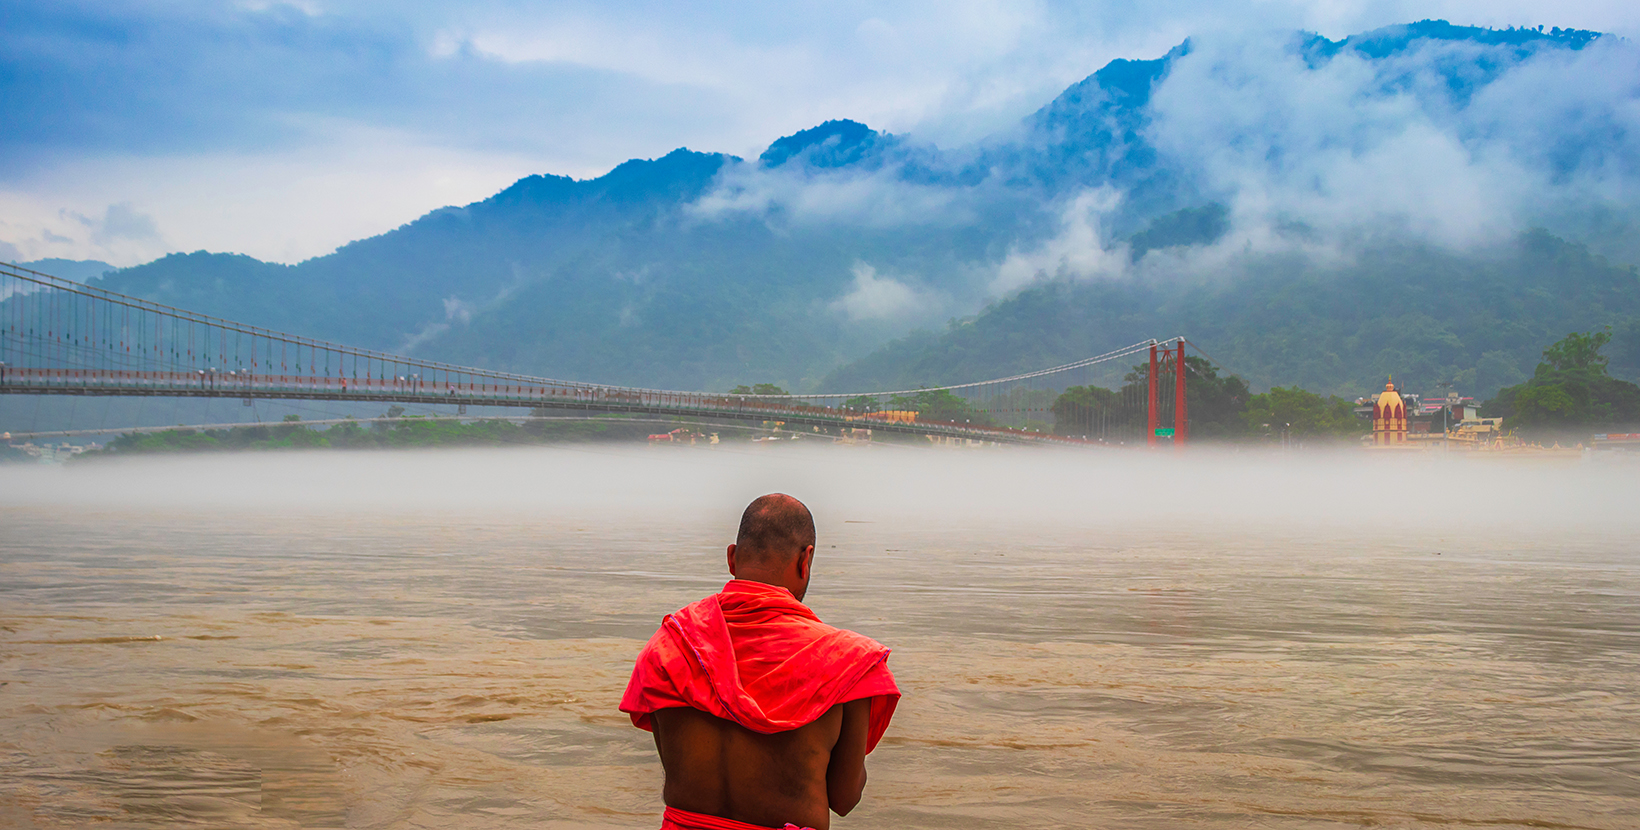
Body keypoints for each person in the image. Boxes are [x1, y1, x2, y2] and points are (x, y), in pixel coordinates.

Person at [620, 494, 900, 830]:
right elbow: (844, 797)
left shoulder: (671, 645)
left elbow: (673, 762)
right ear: (805, 560)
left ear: (732, 558)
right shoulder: (851, 663)